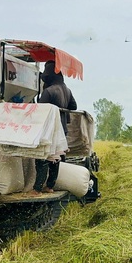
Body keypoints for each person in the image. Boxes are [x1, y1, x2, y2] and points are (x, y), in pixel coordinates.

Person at [30, 60, 78, 197]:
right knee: (56, 159)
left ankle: (37, 189)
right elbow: (73, 106)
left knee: (42, 158)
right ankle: (50, 186)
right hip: (62, 130)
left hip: (49, 131)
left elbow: (40, 111)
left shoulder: (49, 91)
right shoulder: (66, 90)